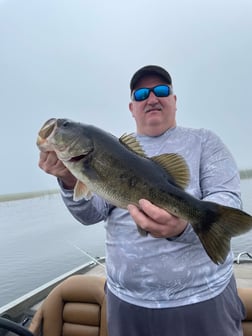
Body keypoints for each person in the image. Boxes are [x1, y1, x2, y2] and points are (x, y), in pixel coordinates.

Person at [38, 65, 245, 336]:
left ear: (174, 100)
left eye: (161, 90)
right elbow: (90, 213)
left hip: (203, 299)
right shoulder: (112, 148)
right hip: (127, 303)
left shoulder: (205, 142)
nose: (151, 98)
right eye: (141, 94)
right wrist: (68, 178)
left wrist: (182, 226)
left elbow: (227, 198)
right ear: (131, 107)